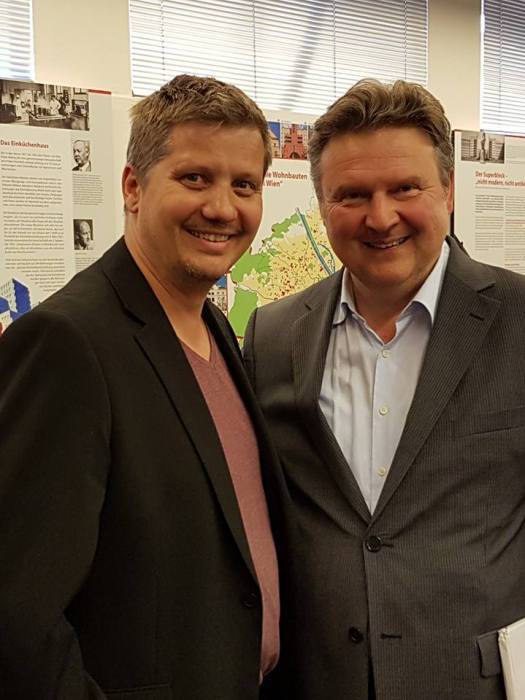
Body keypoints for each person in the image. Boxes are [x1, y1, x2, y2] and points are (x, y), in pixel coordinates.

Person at [0, 74, 288, 699]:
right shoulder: (68, 341)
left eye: (244, 185)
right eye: (195, 178)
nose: (223, 208)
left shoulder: (214, 324)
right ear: (133, 187)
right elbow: (17, 616)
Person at [243, 79, 525, 700]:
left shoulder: (517, 318)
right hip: (318, 681)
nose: (380, 217)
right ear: (322, 205)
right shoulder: (273, 334)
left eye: (405, 188)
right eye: (352, 194)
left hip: (471, 682)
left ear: (448, 189)